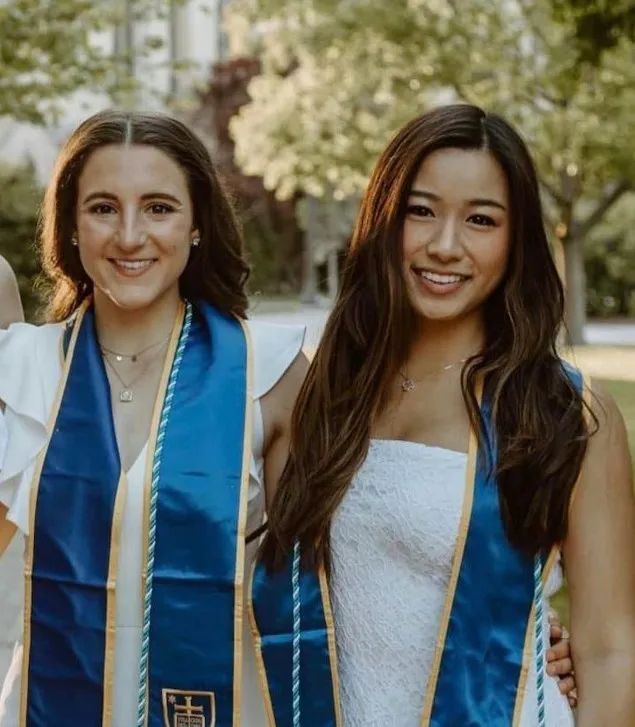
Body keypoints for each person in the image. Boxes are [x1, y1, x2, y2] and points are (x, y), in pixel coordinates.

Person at [250, 105, 635, 725]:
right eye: (420, 211)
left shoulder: (566, 412)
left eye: (481, 219)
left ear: (516, 240)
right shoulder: (320, 394)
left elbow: (611, 650)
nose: (445, 245)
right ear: (383, 219)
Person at [0, 111, 307, 726]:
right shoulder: (21, 372)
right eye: (103, 208)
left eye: (159, 208)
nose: (130, 235)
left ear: (197, 226)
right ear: (71, 227)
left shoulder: (268, 372)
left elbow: (311, 596)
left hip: (219, 707)